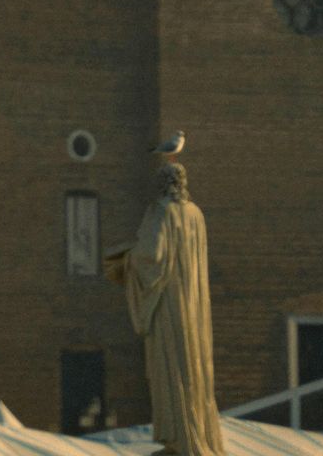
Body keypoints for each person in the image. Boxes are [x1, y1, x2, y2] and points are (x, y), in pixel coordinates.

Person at [109, 162, 223, 456]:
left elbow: (152, 256)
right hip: (194, 309)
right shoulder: (196, 215)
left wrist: (126, 259)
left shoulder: (160, 211)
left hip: (169, 306)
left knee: (170, 370)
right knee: (193, 371)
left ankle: (179, 438)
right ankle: (198, 435)